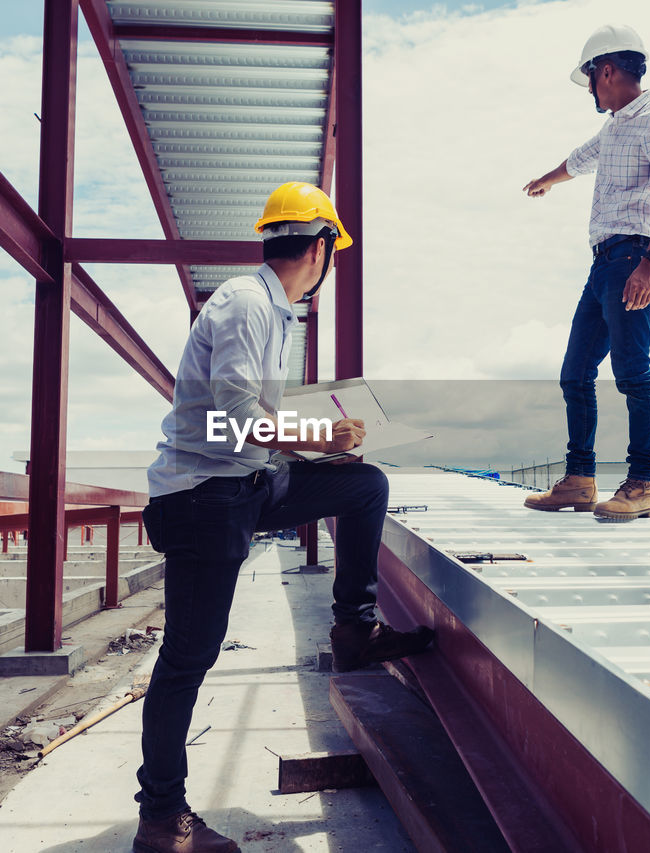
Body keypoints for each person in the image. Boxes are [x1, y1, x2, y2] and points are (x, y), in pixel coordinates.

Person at [132, 182, 435, 853]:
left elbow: (249, 425)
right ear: (321, 245)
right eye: (334, 250)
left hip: (243, 483)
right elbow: (231, 418)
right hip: (203, 497)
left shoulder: (274, 313)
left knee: (362, 487)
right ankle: (160, 818)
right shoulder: (246, 304)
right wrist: (321, 436)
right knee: (188, 655)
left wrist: (324, 441)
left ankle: (354, 629)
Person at [522, 23, 650, 521]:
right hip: (602, 265)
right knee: (575, 372)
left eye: (591, 78)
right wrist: (547, 180)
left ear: (607, 71)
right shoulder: (615, 126)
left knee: (633, 373)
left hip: (632, 258)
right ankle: (579, 481)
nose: (590, 89)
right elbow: (582, 159)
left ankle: (644, 485)